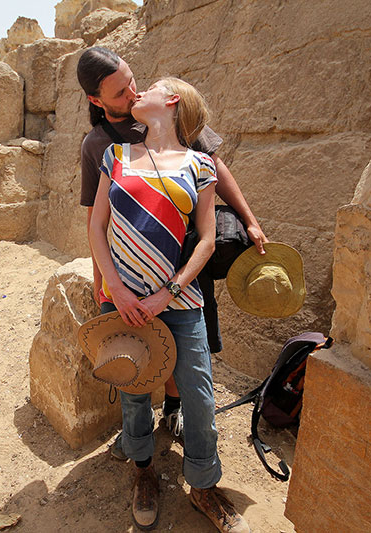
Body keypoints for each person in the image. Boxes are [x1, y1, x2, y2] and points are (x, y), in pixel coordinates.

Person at [76, 46, 267, 447]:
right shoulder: (101, 147)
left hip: (183, 263)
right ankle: (140, 448)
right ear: (97, 101)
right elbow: (97, 218)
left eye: (132, 82)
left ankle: (176, 413)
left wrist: (248, 219)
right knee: (139, 359)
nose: (132, 93)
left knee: (188, 353)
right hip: (129, 272)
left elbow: (216, 168)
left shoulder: (172, 119)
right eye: (120, 92)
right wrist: (105, 283)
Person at [88, 76, 250, 533]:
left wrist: (169, 292)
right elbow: (97, 227)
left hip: (178, 300)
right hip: (122, 300)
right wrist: (117, 290)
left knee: (198, 393)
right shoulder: (114, 156)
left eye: (151, 87)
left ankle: (203, 485)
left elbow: (207, 240)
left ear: (172, 100)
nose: (137, 93)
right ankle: (142, 472)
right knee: (134, 387)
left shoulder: (200, 165)